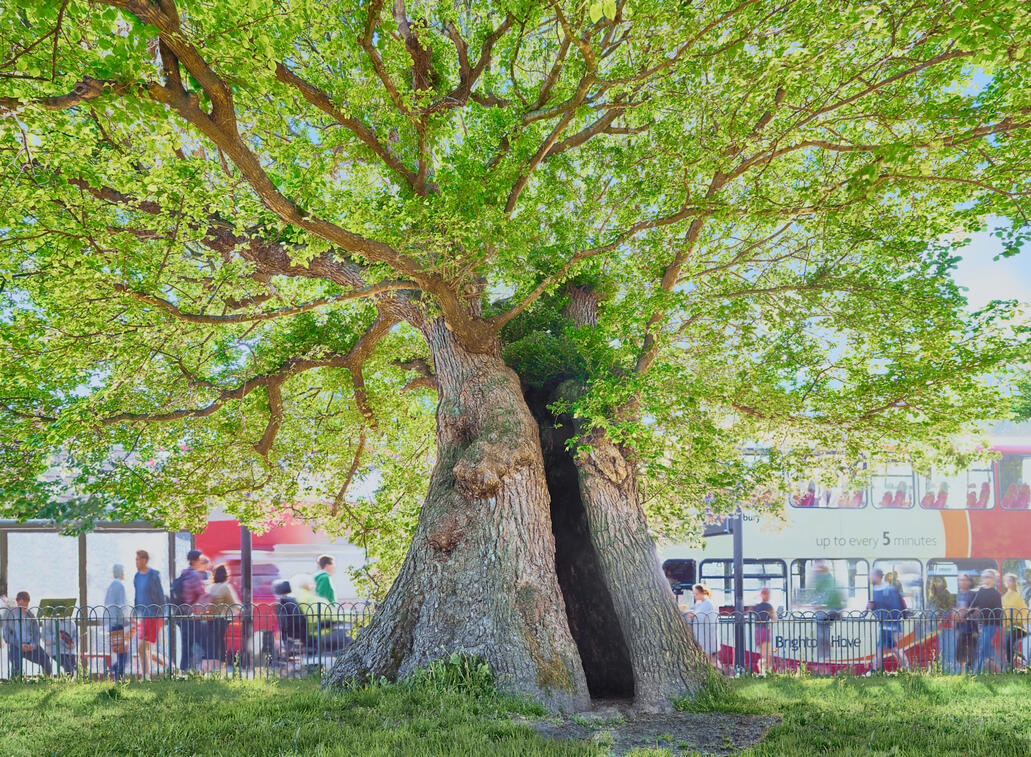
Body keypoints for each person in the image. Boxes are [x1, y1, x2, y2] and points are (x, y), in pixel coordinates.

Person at [197, 563, 240, 670]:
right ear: (226, 575)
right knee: (220, 644)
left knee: (211, 644)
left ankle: (208, 667)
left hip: (208, 619)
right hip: (221, 619)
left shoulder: (210, 587)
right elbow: (233, 603)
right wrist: (244, 609)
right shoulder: (225, 587)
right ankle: (220, 668)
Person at [133, 549, 168, 678]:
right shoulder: (137, 576)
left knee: (143, 647)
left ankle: (147, 675)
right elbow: (137, 597)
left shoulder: (153, 575)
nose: (136, 562)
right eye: (135, 559)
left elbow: (160, 596)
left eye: (138, 559)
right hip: (143, 617)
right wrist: (136, 615)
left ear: (144, 560)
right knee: (144, 648)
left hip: (154, 615)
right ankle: (148, 674)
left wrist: (161, 615)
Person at [175, 550, 210, 672]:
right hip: (192, 615)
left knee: (186, 645)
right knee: (205, 642)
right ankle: (204, 669)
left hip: (182, 614)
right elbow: (203, 593)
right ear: (195, 560)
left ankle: (184, 670)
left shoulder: (184, 573)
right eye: (200, 559)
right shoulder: (194, 575)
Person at [3, 592, 52, 677]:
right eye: (21, 604)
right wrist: (19, 645)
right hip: (16, 646)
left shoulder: (30, 614)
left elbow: (36, 632)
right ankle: (15, 682)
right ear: (17, 602)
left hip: (30, 645)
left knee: (45, 658)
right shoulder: (9, 614)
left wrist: (33, 644)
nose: (24, 608)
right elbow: (6, 635)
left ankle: (48, 680)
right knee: (16, 665)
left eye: (26, 605)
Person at [868, 568, 908, 671]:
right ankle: (907, 668)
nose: (870, 578)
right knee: (894, 649)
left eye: (871, 575)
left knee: (880, 650)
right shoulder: (875, 590)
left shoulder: (889, 590)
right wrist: (871, 607)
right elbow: (880, 609)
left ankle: (873, 672)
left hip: (889, 626)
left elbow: (896, 609)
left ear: (877, 577)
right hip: (884, 625)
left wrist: (898, 629)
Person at [968, 568, 1003, 673]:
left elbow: (998, 610)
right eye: (984, 577)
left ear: (993, 580)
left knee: (984, 648)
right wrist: (967, 614)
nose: (986, 579)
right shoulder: (979, 592)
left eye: (989, 577)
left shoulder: (995, 593)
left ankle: (978, 671)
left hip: (993, 624)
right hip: (982, 624)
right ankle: (991, 670)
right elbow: (973, 606)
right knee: (985, 647)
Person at [810, 561, 843, 661]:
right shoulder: (823, 583)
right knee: (822, 636)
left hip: (827, 614)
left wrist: (821, 606)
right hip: (824, 614)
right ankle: (824, 657)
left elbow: (832, 598)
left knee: (823, 636)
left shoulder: (828, 581)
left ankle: (824, 658)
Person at [683, 583, 720, 667]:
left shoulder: (709, 604)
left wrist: (692, 615)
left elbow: (704, 617)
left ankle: (719, 673)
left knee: (710, 657)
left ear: (702, 593)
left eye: (696, 594)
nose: (694, 596)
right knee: (706, 657)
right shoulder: (699, 604)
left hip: (707, 635)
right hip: (701, 635)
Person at [104, 564, 130, 680]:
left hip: (112, 623)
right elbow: (121, 605)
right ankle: (116, 676)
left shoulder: (111, 586)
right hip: (118, 624)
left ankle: (114, 674)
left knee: (121, 653)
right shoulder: (120, 585)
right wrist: (127, 620)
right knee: (123, 655)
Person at [927, 576, 958, 673]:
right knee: (940, 649)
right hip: (937, 626)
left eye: (940, 581)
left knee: (948, 648)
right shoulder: (932, 596)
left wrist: (941, 617)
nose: (938, 583)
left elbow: (949, 609)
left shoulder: (946, 593)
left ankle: (951, 669)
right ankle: (943, 669)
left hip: (946, 624)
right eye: (936, 581)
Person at [1001, 572, 1027, 669]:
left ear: (1013, 582)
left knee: (1008, 643)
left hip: (1019, 626)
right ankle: (1016, 659)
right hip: (1008, 627)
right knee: (1007, 644)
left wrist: (1021, 623)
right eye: (1006, 580)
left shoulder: (1017, 596)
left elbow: (1022, 611)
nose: (1006, 582)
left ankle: (1010, 665)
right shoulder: (1005, 596)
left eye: (1008, 580)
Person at [955, 573, 978, 673]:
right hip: (959, 627)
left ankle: (971, 671)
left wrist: (966, 613)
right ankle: (961, 671)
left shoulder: (973, 594)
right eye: (960, 580)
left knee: (972, 651)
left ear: (969, 582)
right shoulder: (956, 595)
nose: (962, 582)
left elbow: (977, 610)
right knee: (959, 650)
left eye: (964, 580)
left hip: (971, 628)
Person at [752, 587, 777, 674]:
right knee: (767, 654)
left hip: (757, 631)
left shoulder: (756, 606)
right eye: (768, 594)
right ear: (765, 595)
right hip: (765, 631)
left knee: (763, 654)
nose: (769, 596)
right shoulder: (768, 606)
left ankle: (763, 670)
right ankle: (766, 672)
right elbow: (775, 619)